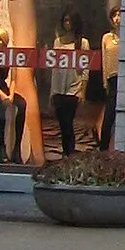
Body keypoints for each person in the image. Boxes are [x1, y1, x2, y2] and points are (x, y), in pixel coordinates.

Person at [47, 13, 86, 157]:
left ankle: (70, 152)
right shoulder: (58, 42)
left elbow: (85, 69)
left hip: (73, 88)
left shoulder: (82, 43)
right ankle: (66, 152)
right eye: (65, 20)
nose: (67, 23)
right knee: (62, 124)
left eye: (70, 20)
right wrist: (52, 92)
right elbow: (54, 69)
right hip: (58, 88)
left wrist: (83, 90)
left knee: (68, 122)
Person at [99, 5, 121, 146]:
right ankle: (104, 146)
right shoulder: (107, 38)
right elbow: (104, 59)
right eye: (115, 15)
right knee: (109, 114)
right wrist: (104, 81)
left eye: (120, 15)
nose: (117, 19)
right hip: (112, 78)